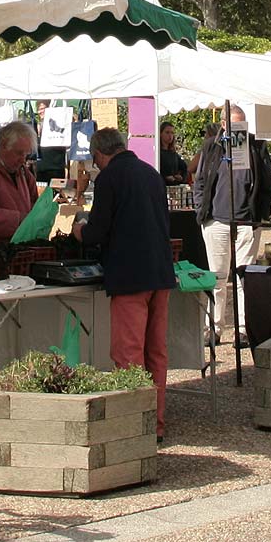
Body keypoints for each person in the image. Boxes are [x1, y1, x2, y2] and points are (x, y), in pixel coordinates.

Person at [75, 128, 176, 439]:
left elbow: (96, 232)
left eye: (95, 159)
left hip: (130, 276)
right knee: (156, 352)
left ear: (100, 154)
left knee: (128, 354)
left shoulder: (110, 178)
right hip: (160, 272)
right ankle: (154, 423)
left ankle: (135, 426)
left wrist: (78, 227)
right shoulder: (150, 173)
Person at [193, 105, 271, 342]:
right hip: (216, 220)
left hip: (246, 220)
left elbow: (267, 183)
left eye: (243, 123)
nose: (239, 128)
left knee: (243, 278)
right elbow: (200, 182)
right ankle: (215, 327)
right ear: (224, 124)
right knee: (217, 278)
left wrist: (260, 214)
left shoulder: (255, 146)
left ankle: (242, 328)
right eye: (235, 123)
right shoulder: (212, 146)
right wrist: (203, 213)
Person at [157, 121, 190, 186]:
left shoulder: (173, 154)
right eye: (167, 132)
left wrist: (181, 177)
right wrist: (165, 178)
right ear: (160, 134)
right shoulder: (157, 153)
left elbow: (184, 168)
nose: (170, 136)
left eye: (172, 133)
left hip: (174, 187)